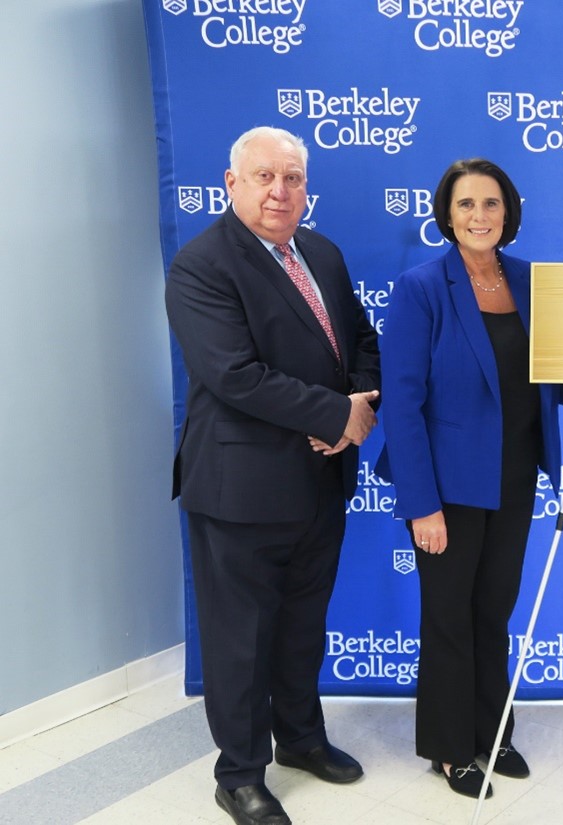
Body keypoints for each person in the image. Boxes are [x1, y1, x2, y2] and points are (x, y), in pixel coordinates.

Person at [165, 126, 381, 825]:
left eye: (292, 179)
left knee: (301, 628)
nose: (279, 191)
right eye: (264, 177)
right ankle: (240, 774)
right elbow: (233, 374)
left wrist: (363, 402)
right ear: (232, 184)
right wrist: (332, 414)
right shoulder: (201, 264)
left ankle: (302, 740)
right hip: (240, 491)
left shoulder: (322, 251)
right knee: (240, 639)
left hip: (320, 484)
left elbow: (363, 340)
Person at [378, 158, 563, 799]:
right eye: (467, 204)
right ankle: (450, 749)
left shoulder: (531, 281)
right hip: (446, 488)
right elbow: (404, 403)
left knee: (493, 613)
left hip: (515, 477)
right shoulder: (421, 288)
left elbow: (550, 372)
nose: (479, 216)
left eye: (491, 204)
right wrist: (422, 504)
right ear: (447, 214)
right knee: (448, 616)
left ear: (509, 212)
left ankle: (492, 731)